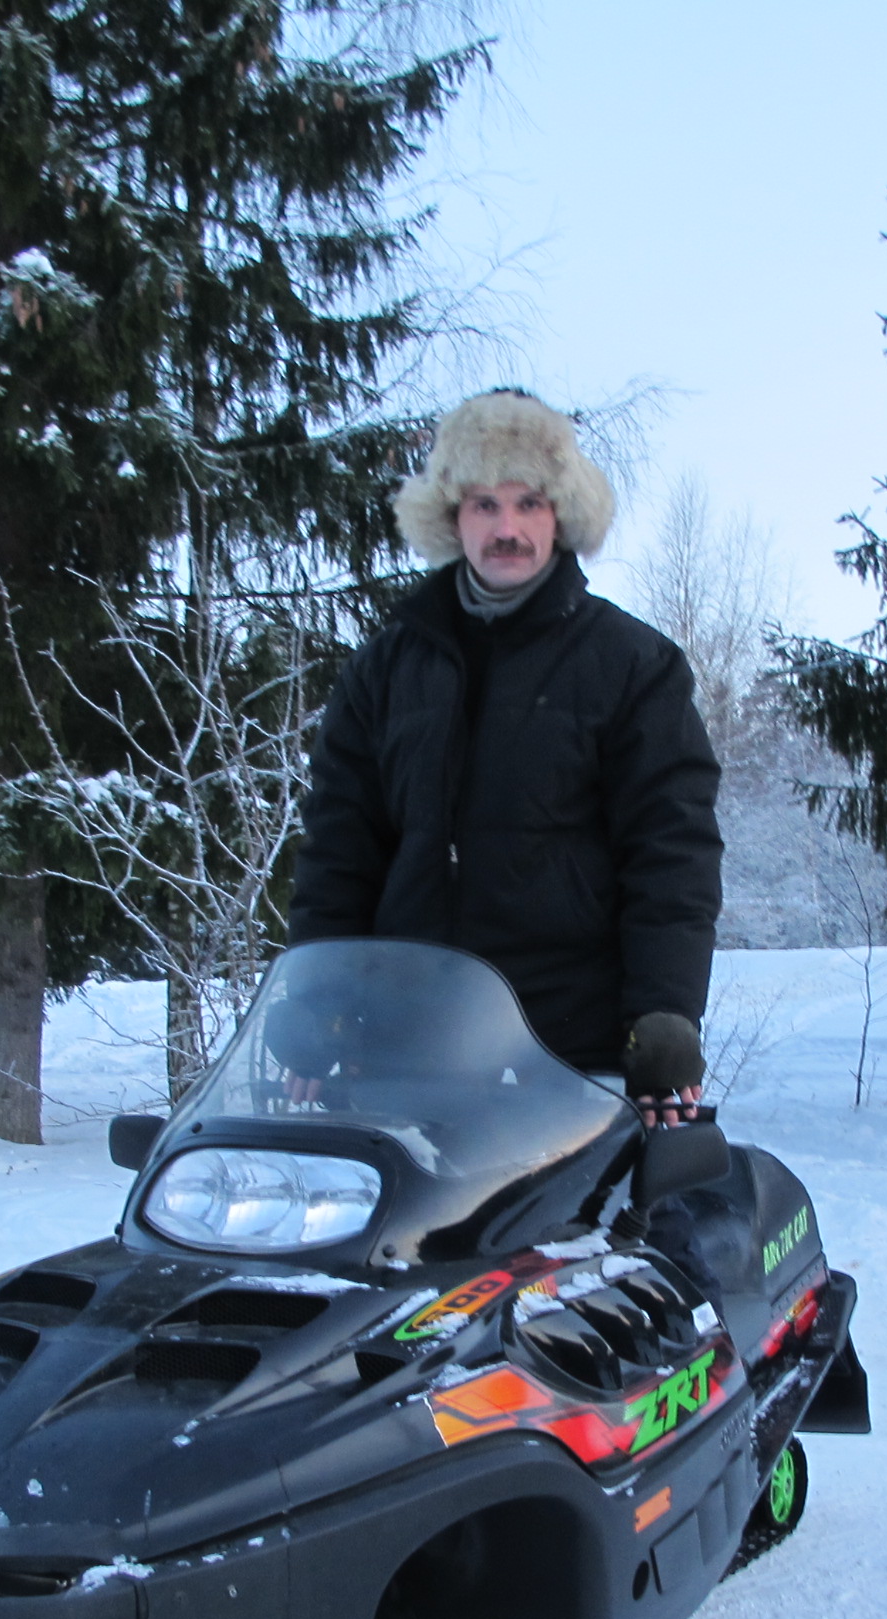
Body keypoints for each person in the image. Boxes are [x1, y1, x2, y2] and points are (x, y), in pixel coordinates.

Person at [287, 390, 720, 1125]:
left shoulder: (632, 664)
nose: (507, 528)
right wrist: (317, 1009)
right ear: (452, 517)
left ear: (561, 515)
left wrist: (664, 1014)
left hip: (573, 1048)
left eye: (528, 503)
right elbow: (339, 851)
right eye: (484, 504)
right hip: (407, 1041)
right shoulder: (384, 670)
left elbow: (671, 854)